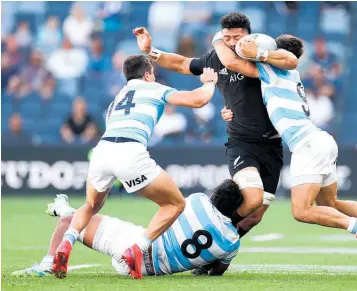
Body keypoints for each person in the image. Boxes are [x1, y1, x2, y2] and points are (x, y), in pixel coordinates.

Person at [214, 33, 357, 262]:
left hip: (308, 144)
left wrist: (220, 39)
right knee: (329, 203)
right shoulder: (288, 74)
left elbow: (233, 62)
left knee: (301, 211)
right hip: (320, 140)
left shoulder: (272, 71)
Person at [52, 55, 218, 279]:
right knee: (175, 203)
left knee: (91, 204)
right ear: (147, 74)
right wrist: (209, 82)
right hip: (130, 151)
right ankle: (137, 249)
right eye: (153, 73)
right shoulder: (154, 88)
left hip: (102, 150)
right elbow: (198, 100)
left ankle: (67, 243)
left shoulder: (118, 97)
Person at [133, 12, 294, 240]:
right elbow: (181, 63)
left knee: (255, 216)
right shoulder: (216, 59)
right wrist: (151, 51)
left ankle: (217, 253)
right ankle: (200, 232)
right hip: (242, 143)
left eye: (237, 37)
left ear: (250, 36)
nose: (231, 42)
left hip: (273, 145)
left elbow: (287, 65)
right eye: (227, 37)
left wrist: (220, 40)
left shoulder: (260, 56)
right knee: (252, 198)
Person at [13, 179, 242, 278]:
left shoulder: (199, 200)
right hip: (148, 270)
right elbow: (218, 271)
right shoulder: (232, 242)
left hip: (132, 246)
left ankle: (47, 263)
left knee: (68, 223)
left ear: (213, 195)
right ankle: (65, 209)